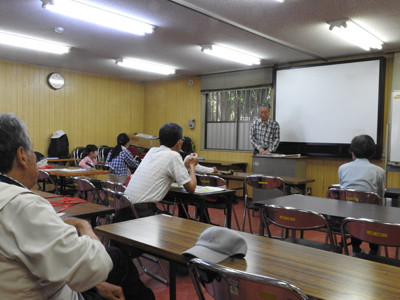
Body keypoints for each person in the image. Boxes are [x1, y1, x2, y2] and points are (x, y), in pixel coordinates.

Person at [0, 113, 154, 300]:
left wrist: (97, 284)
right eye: (33, 151)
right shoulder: (22, 205)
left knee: (115, 255)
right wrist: (84, 226)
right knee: (116, 259)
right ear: (22, 156)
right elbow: (96, 265)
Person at [124, 123, 198, 217]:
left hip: (125, 209)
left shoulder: (152, 151)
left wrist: (185, 166)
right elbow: (191, 188)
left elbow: (165, 172)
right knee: (180, 225)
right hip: (141, 214)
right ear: (179, 142)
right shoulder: (174, 156)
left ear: (159, 140)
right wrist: (192, 166)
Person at [338, 134, 386, 257]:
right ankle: (374, 252)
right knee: (377, 213)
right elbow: (380, 197)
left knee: (354, 213)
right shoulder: (379, 171)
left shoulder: (342, 168)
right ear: (372, 152)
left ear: (352, 151)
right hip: (370, 217)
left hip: (347, 217)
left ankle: (355, 249)